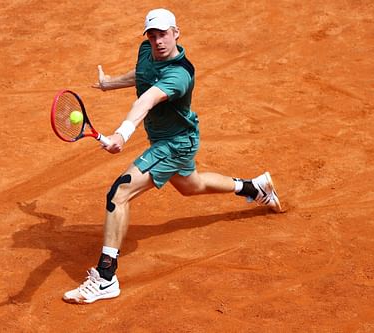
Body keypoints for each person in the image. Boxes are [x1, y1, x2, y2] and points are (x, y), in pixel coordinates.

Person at [63, 8, 282, 304]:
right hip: (176, 139)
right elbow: (142, 76)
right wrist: (110, 82)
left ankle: (105, 278)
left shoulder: (180, 74)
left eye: (163, 34)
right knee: (192, 186)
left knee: (119, 193)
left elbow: (148, 98)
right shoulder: (146, 51)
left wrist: (122, 134)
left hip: (175, 144)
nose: (157, 41)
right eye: (152, 35)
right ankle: (253, 187)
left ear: (176, 32)